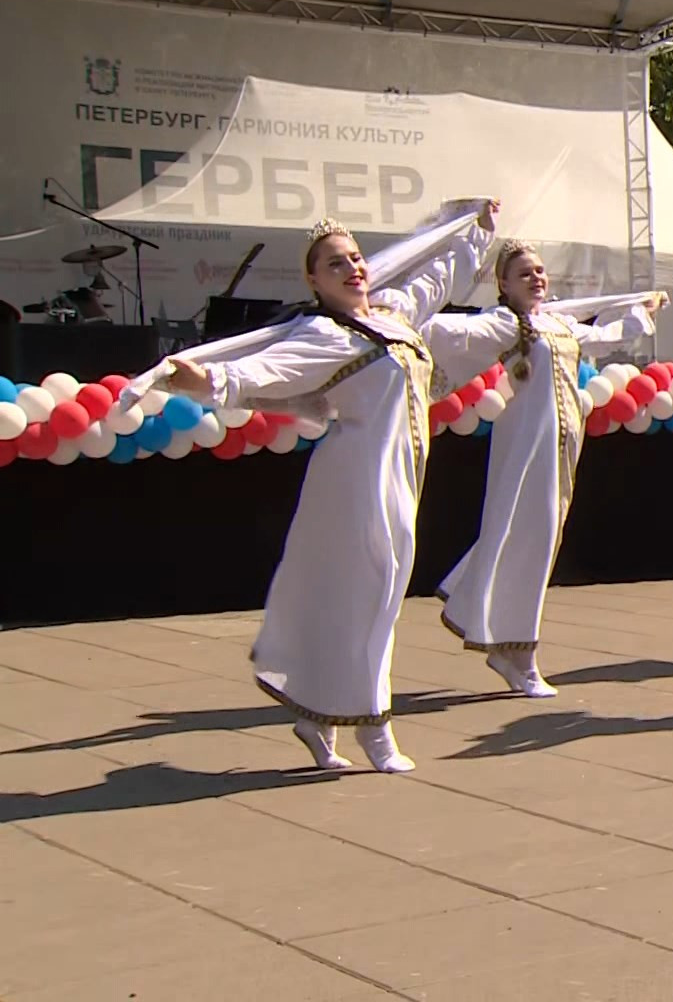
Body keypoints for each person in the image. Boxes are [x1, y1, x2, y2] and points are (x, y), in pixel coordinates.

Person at [157, 200, 498, 772]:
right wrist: (208, 378)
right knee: (373, 590)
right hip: (354, 479)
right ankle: (374, 728)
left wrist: (475, 235)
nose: (352, 269)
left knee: (373, 595)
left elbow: (435, 277)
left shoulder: (394, 312)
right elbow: (264, 371)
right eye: (335, 264)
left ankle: (316, 719)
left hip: (400, 472)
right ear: (314, 279)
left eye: (356, 258)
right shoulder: (321, 334)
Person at [424, 242, 668, 698]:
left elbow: (605, 336)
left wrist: (642, 310)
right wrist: (399, 317)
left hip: (562, 440)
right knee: (524, 534)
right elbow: (451, 333)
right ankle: (519, 652)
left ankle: (491, 623)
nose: (536, 278)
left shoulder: (559, 323)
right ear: (502, 284)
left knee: (540, 536)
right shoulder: (504, 324)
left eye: (538, 271)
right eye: (523, 274)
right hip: (525, 443)